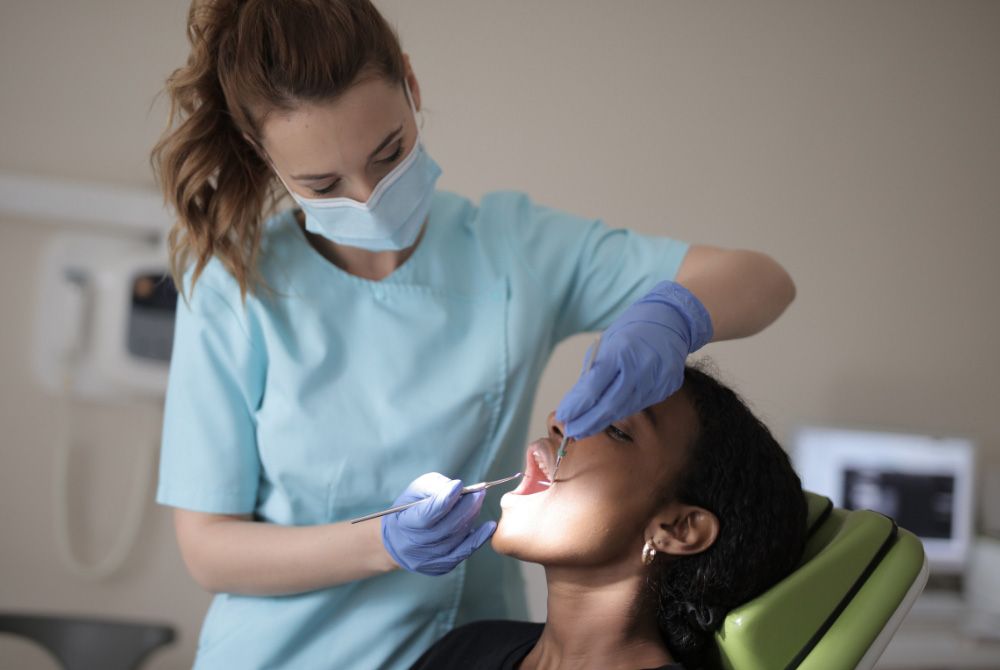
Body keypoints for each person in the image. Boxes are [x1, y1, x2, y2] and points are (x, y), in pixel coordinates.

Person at [150, 1, 797, 667]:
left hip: (468, 644)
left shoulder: (514, 251)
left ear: (411, 84)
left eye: (388, 151)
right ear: (261, 151)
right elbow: (209, 550)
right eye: (323, 183)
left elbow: (763, 282)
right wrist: (384, 542)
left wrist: (674, 315)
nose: (368, 194)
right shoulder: (234, 282)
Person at [412, 364, 808, 670]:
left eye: (617, 429)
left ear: (679, 528)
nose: (559, 420)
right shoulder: (469, 647)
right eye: (581, 407)